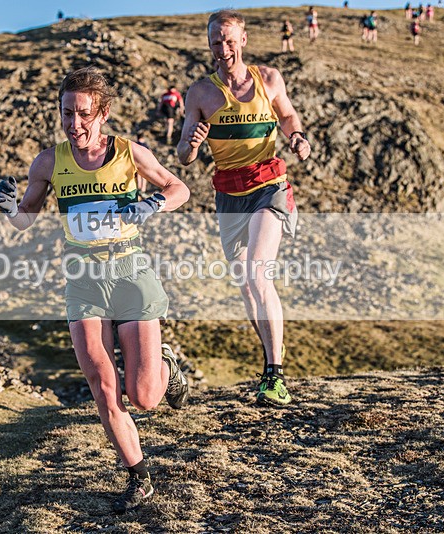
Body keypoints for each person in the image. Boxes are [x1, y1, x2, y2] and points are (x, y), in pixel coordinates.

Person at [0, 66, 191, 513]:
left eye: (83, 114)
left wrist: (154, 202)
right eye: (67, 113)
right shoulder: (48, 163)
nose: (74, 124)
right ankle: (138, 477)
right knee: (104, 388)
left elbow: (180, 188)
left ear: (102, 113)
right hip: (83, 280)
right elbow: (27, 217)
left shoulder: (128, 153)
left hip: (130, 273)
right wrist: (9, 209)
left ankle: (165, 364)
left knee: (143, 397)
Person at [178, 10, 311, 408]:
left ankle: (275, 374)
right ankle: (269, 365)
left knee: (258, 270)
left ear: (244, 40)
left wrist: (298, 137)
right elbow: (183, 154)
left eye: (229, 40)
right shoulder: (201, 93)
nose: (223, 48)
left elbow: (287, 115)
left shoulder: (268, 78)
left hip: (269, 184)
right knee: (248, 287)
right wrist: (195, 143)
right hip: (228, 196)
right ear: (209, 46)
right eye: (216, 42)